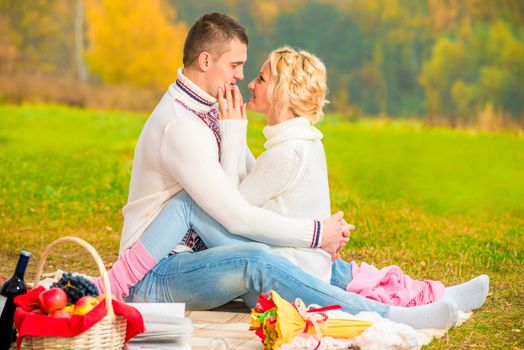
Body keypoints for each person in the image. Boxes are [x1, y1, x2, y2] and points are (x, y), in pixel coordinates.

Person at [96, 13, 474, 329]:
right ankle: (391, 318)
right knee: (259, 260)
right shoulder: (182, 126)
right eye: (236, 66)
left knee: (304, 263)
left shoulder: (208, 107)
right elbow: (233, 212)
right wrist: (315, 233)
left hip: (197, 250)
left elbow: (241, 174)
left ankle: (430, 295)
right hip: (160, 271)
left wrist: (315, 242)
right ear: (206, 61)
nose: (242, 77)